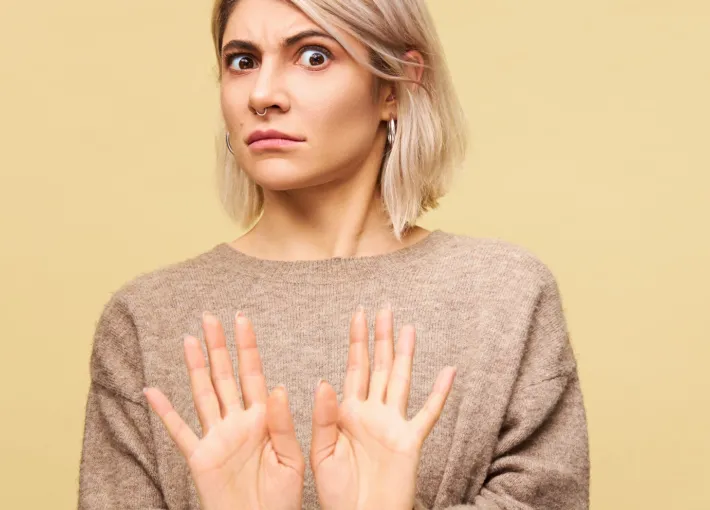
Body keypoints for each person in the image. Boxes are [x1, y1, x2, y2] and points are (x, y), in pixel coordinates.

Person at [77, 0, 590, 508]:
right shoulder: (146, 319)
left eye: (313, 56)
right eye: (242, 61)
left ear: (396, 86)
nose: (262, 95)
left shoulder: (504, 296)